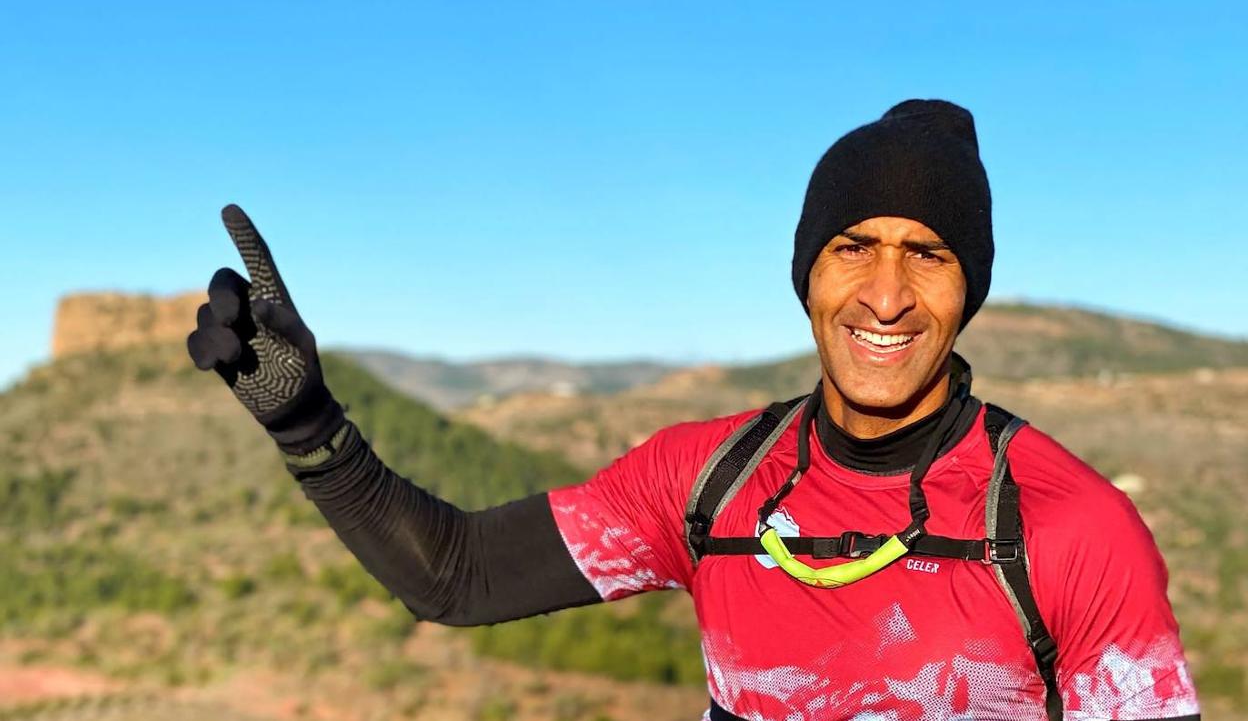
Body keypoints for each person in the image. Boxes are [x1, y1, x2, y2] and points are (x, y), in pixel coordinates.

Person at [187, 99, 1201, 720]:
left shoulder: (1068, 525)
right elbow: (456, 575)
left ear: (967, 286)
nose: (886, 294)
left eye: (928, 254)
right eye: (853, 246)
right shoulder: (707, 482)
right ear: (806, 273)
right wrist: (308, 427)